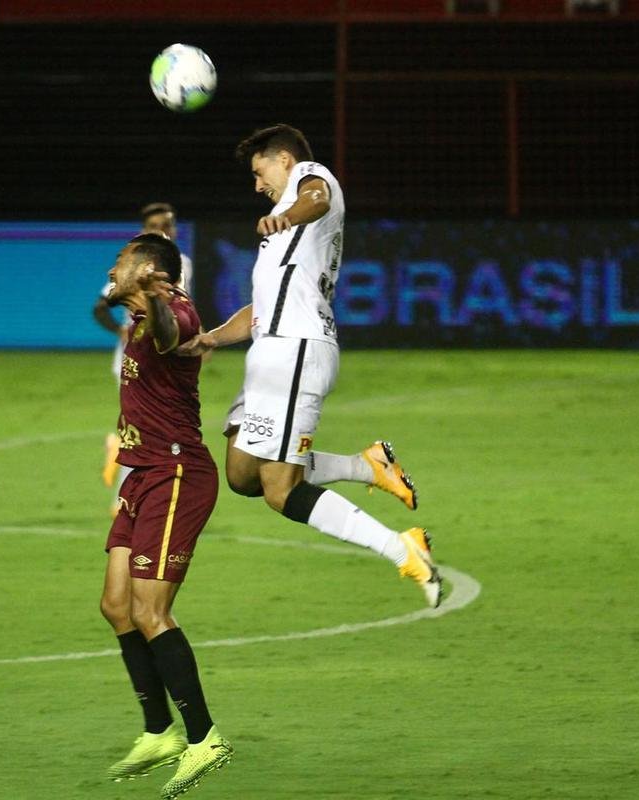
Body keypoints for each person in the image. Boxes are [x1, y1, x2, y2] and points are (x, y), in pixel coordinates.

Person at [178, 124, 442, 608]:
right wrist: (212, 337)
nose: (257, 185)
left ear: (284, 159)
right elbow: (260, 310)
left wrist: (289, 215)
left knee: (280, 491)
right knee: (241, 474)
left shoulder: (311, 180)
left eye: (260, 172)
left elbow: (316, 197)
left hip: (296, 351)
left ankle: (401, 547)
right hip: (269, 353)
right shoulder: (279, 234)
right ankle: (366, 466)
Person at [98, 233, 233, 798]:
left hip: (177, 474)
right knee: (116, 605)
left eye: (126, 260)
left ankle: (205, 739)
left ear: (151, 270)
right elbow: (104, 302)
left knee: (153, 611)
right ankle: (159, 732)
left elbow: (175, 332)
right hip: (142, 474)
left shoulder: (175, 309)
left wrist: (150, 297)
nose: (114, 265)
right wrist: (128, 292)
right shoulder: (138, 310)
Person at [95, 202, 194, 505]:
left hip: (163, 357)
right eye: (158, 226)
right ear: (144, 231)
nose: (166, 231)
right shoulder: (134, 264)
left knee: (151, 429)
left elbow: (181, 308)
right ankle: (127, 500)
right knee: (145, 430)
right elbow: (101, 305)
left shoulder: (182, 262)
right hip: (134, 357)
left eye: (170, 225)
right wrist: (120, 331)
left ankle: (128, 483)